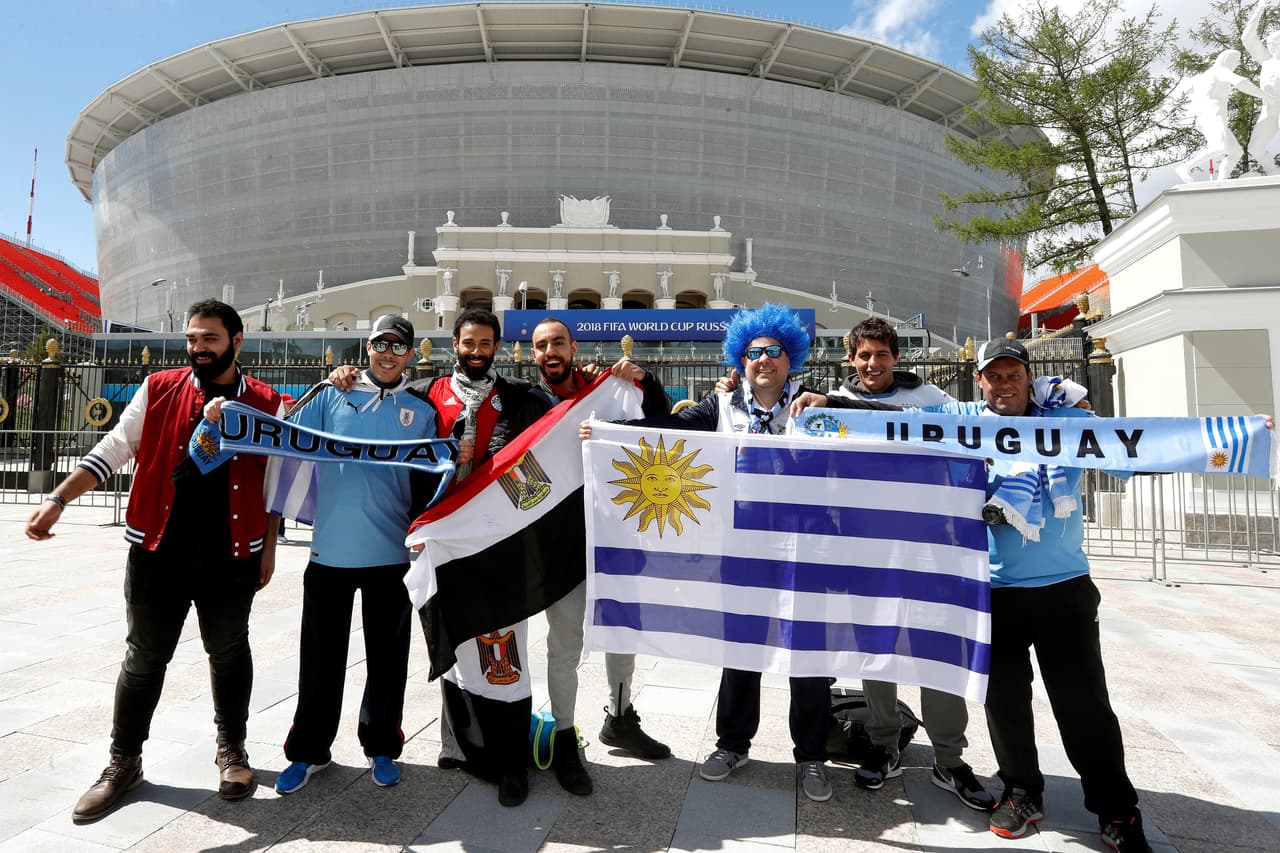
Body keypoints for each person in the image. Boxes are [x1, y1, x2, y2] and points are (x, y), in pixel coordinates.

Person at [818, 338, 1150, 849]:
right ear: (981, 382)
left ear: (1028, 378)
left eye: (1013, 374)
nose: (1003, 384)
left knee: (1083, 705)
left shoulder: (1065, 424)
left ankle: (1116, 809)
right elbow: (889, 418)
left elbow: (1136, 454)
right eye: (993, 376)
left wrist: (1228, 436)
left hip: (1063, 589)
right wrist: (828, 404)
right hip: (991, 590)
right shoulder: (964, 425)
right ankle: (1021, 792)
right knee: (1004, 703)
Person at [580, 303, 893, 804]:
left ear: (790, 358)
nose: (764, 360)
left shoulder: (820, 407)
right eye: (753, 353)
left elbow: (890, 423)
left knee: (808, 656)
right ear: (740, 360)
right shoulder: (720, 408)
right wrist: (607, 435)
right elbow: (664, 431)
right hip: (743, 548)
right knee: (740, 651)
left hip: (808, 548)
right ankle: (732, 744)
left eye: (773, 352)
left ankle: (811, 755)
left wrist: (839, 406)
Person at [25, 300, 281, 822]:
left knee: (229, 651)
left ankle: (232, 750)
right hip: (157, 549)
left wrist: (268, 547)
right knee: (144, 658)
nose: (197, 348)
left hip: (231, 553)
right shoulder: (160, 387)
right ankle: (123, 763)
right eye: (191, 338)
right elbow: (117, 447)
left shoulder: (264, 400)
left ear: (236, 341)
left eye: (209, 338)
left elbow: (273, 479)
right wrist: (58, 498)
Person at [330, 308, 550, 807]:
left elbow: (560, 423)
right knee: (449, 640)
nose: (476, 352)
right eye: (468, 343)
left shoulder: (518, 397)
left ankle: (510, 758)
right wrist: (342, 375)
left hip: (501, 542)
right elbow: (376, 396)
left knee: (503, 650)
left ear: (497, 345)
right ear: (454, 342)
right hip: (442, 541)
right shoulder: (427, 394)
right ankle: (461, 746)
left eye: (485, 343)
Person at [255, 315, 439, 794]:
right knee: (319, 659)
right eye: (380, 344)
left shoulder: (419, 410)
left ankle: (381, 745)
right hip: (329, 555)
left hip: (389, 556)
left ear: (410, 355)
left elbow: (432, 478)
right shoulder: (333, 393)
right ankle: (308, 751)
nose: (388, 354)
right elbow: (283, 444)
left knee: (387, 659)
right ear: (367, 346)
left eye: (398, 347)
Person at [824, 318, 994, 808]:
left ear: (896, 358)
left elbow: (986, 427)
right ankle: (882, 745)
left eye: (881, 354)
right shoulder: (831, 405)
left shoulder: (933, 402)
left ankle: (949, 757)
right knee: (877, 648)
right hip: (866, 549)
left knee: (935, 649)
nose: (872, 363)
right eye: (863, 355)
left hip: (929, 549)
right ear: (850, 359)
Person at [529, 318, 673, 798]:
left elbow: (661, 425)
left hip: (613, 536)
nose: (551, 351)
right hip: (560, 544)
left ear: (574, 347)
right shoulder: (529, 402)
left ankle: (620, 717)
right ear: (532, 355)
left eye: (558, 343)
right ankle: (566, 735)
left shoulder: (604, 390)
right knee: (565, 642)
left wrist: (645, 381)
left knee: (622, 633)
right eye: (540, 345)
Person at [1244, 0, 1280, 173]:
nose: (1272, 46)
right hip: (1269, 109)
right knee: (1255, 148)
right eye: (1270, 44)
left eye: (1276, 43)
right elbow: (1247, 38)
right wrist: (1259, 10)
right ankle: (1274, 174)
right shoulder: (1266, 60)